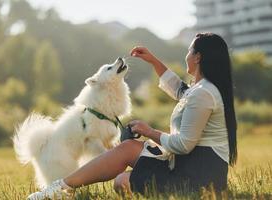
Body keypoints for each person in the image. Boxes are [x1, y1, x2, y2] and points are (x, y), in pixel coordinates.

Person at [27, 32, 237, 200]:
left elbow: (183, 145)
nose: (187, 54)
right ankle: (60, 187)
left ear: (198, 57)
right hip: (184, 165)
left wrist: (149, 132)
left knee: (122, 182)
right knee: (127, 148)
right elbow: (178, 89)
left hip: (198, 179)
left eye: (189, 50)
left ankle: (62, 187)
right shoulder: (199, 89)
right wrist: (153, 60)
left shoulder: (203, 93)